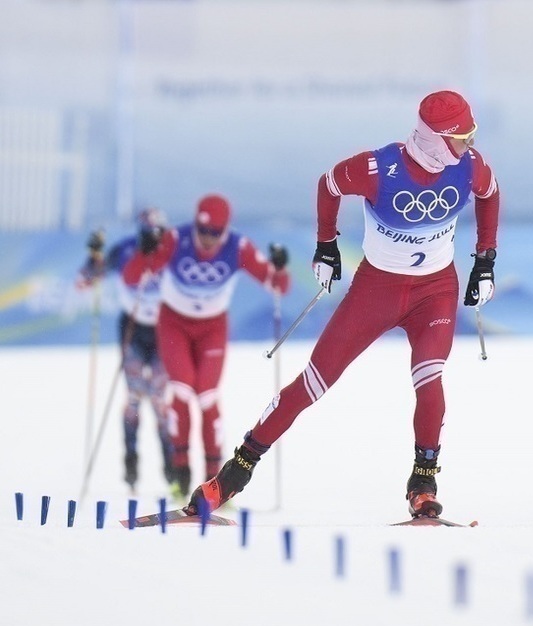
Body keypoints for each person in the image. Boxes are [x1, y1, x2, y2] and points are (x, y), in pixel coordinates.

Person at [185, 89, 500, 519]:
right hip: (377, 290)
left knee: (431, 380)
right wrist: (325, 245)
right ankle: (234, 474)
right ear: (434, 140)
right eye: (461, 137)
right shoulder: (378, 167)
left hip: (435, 293)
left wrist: (485, 259)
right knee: (313, 384)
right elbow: (329, 183)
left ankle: (422, 483)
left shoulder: (469, 167)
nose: (469, 146)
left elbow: (491, 192)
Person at [122, 194, 292, 500]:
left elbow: (278, 285)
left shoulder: (237, 248)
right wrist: (145, 252)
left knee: (207, 397)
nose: (207, 240)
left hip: (212, 329)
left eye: (215, 233)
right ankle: (180, 473)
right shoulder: (176, 239)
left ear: (225, 230)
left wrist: (279, 268)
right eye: (203, 232)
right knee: (183, 391)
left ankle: (214, 481)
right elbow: (133, 276)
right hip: (174, 324)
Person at [76, 209, 175, 491]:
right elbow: (85, 280)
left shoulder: (172, 250)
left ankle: (171, 466)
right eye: (149, 233)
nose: (155, 238)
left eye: (160, 233)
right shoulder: (125, 250)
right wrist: (93, 255)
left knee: (159, 398)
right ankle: (131, 461)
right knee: (133, 396)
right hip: (133, 328)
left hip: (163, 331)